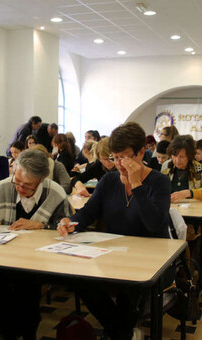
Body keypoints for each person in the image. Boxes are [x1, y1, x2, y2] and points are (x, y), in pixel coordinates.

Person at [57, 122, 171, 340]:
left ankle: (119, 333)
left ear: (141, 153)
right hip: (114, 256)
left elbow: (154, 224)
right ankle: (124, 333)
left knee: (131, 291)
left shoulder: (160, 182)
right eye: (114, 157)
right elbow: (87, 214)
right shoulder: (109, 181)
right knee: (81, 281)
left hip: (152, 260)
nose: (118, 164)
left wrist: (136, 185)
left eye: (125, 157)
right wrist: (69, 222)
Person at [0, 149, 71, 340]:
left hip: (38, 261)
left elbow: (68, 227)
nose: (20, 188)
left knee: (26, 289)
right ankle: (10, 331)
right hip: (2, 257)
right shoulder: (3, 187)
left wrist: (43, 225)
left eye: (27, 186)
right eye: (17, 181)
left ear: (41, 180)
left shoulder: (55, 193)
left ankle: (27, 332)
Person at [162, 135, 202, 203]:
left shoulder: (200, 169)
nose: (177, 160)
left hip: (193, 210)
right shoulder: (166, 167)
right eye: (174, 156)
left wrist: (189, 193)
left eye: (182, 157)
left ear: (190, 156)